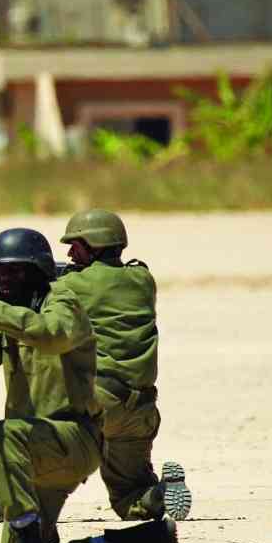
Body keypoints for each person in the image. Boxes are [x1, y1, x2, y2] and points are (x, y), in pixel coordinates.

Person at [0, 228, 179, 543]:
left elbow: (51, 334)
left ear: (38, 271)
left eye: (16, 271)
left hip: (73, 439)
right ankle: (138, 542)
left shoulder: (63, 301)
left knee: (0, 434)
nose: (6, 280)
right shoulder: (5, 315)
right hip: (34, 451)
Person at [57, 209, 190, 521]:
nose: (70, 253)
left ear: (95, 244)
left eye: (76, 245)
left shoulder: (73, 285)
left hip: (98, 404)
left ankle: (15, 501)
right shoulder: (143, 279)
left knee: (29, 434)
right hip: (140, 409)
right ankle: (159, 493)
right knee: (131, 498)